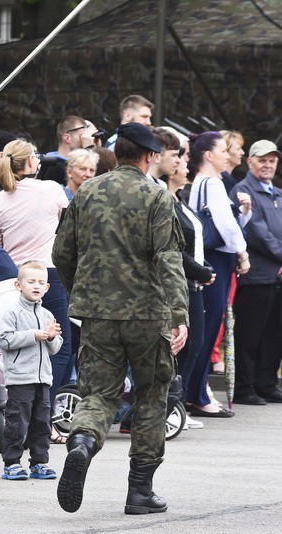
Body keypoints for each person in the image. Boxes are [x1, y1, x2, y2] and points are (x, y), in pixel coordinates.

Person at [52, 122, 188, 515]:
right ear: (149, 156)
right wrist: (179, 314)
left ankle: (81, 442)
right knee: (150, 394)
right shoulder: (156, 196)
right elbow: (168, 259)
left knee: (98, 394)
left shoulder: (88, 190)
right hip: (148, 315)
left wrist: (82, 289)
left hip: (98, 313)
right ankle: (139, 491)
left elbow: (62, 252)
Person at [0, 139, 72, 444]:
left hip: (13, 277)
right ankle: (43, 417)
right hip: (47, 272)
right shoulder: (51, 190)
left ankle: (19, 412)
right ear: (31, 163)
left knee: (9, 346)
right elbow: (68, 225)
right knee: (59, 345)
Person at [188, 132, 252, 409]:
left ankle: (198, 390)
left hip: (212, 256)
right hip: (217, 259)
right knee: (210, 325)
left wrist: (244, 213)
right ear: (209, 155)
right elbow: (225, 225)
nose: (228, 155)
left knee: (209, 326)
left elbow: (227, 220)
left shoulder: (205, 183)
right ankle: (197, 394)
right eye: (223, 150)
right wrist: (243, 252)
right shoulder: (211, 183)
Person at [160, 151, 216, 428]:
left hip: (193, 282)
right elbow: (175, 251)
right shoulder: (165, 202)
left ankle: (176, 403)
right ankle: (170, 405)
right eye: (181, 163)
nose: (186, 167)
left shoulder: (180, 200)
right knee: (185, 345)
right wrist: (202, 271)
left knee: (194, 345)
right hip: (181, 282)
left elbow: (192, 245)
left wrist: (204, 269)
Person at [0, 260, 62, 481]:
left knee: (42, 422)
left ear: (47, 287)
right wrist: (33, 335)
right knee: (17, 422)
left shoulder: (47, 314)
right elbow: (4, 340)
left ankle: (39, 462)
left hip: (43, 378)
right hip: (20, 378)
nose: (36, 286)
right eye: (30, 281)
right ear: (18, 285)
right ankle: (12, 463)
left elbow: (55, 348)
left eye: (41, 282)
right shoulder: (12, 313)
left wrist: (52, 337)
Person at [230, 140, 282, 405]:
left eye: (272, 160)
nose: (268, 165)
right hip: (255, 276)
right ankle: (244, 388)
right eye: (262, 160)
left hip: (276, 276)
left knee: (274, 334)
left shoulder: (278, 194)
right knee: (250, 335)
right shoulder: (242, 191)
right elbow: (258, 234)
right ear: (250, 162)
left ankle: (266, 383)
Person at [43, 116, 95, 185]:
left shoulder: (48, 160)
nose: (85, 139)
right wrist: (89, 149)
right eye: (82, 136)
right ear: (67, 138)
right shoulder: (58, 168)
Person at [219, 130, 244, 194]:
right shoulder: (224, 179)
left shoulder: (228, 178)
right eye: (238, 149)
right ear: (225, 151)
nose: (242, 153)